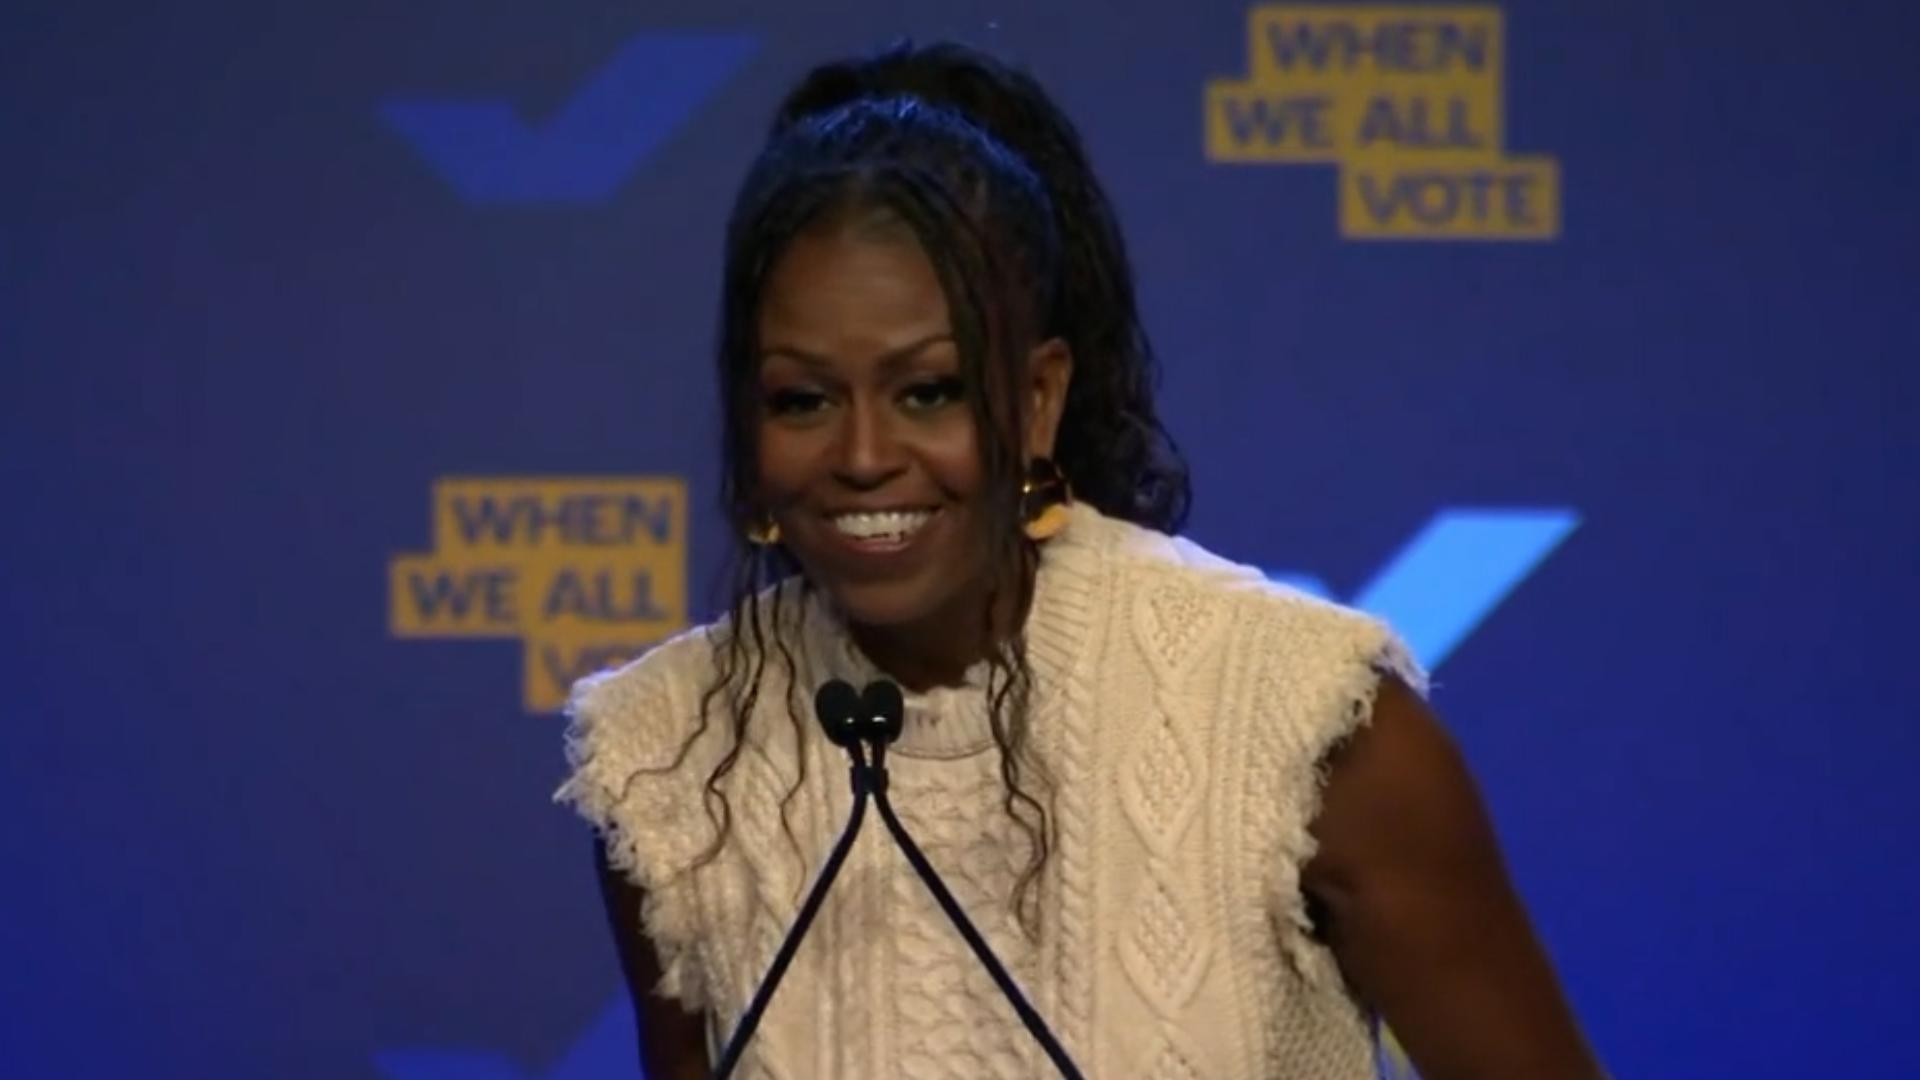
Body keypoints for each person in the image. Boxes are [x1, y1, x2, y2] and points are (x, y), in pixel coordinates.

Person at [556, 41, 1603, 1080]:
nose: (865, 458)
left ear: (1039, 397)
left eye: (929, 390)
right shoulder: (667, 758)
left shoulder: (1304, 723)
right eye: (803, 400)